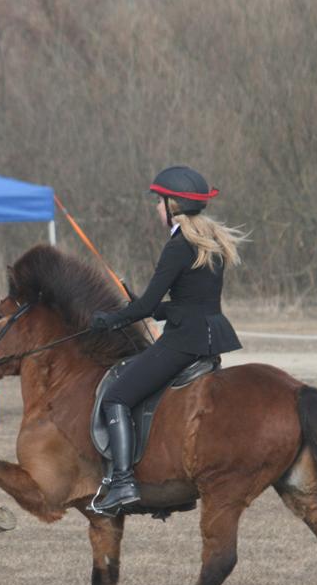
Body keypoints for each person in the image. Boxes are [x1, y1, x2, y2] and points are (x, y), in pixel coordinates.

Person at [88, 165, 246, 514]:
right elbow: (196, 298)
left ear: (173, 204)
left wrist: (110, 320)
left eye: (159, 201)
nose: (156, 208)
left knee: (116, 397)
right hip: (209, 338)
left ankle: (123, 481)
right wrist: (161, 310)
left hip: (183, 342)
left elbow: (143, 305)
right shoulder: (211, 241)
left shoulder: (177, 246)